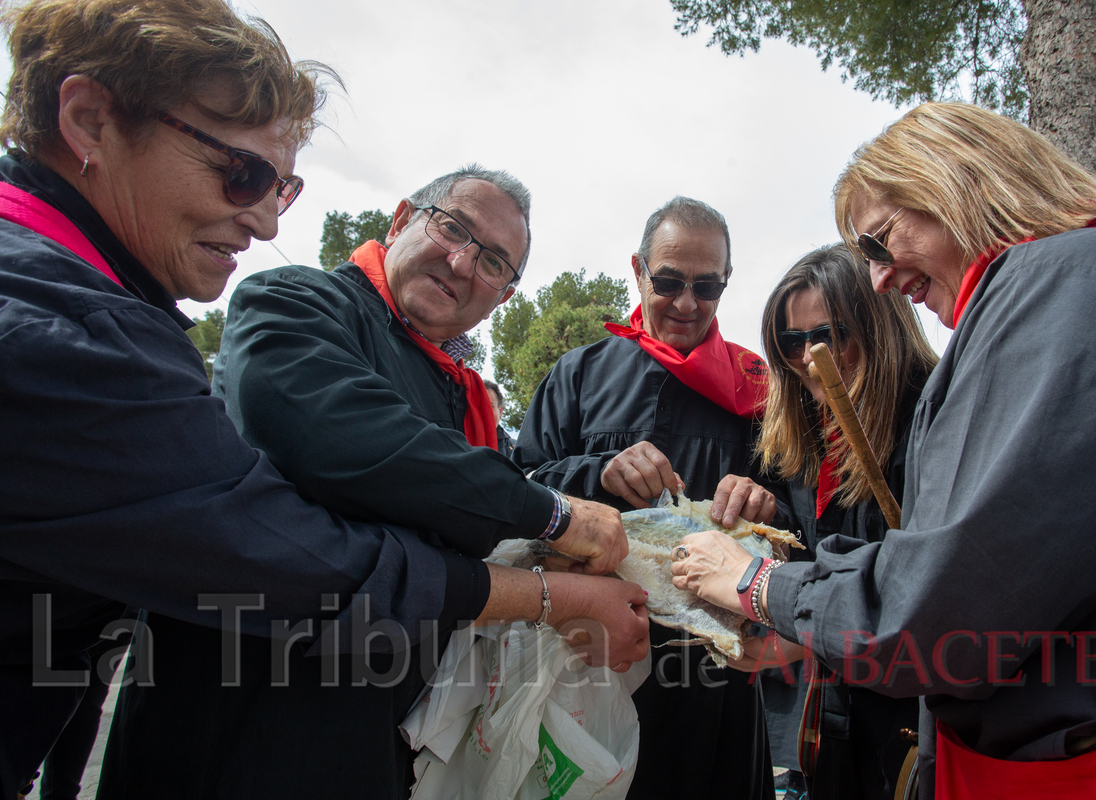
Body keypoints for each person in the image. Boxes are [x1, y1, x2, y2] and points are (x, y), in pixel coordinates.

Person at [0, 2, 645, 797]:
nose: (266, 216)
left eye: (495, 265)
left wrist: (605, 478)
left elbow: (509, 472)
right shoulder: (286, 304)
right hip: (238, 744)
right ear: (90, 120)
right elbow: (316, 495)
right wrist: (553, 559)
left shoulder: (461, 391)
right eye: (243, 174)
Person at [670, 102, 1096, 800]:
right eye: (789, 344)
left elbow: (956, 597)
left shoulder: (1071, 282)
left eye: (884, 241)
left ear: (955, 182)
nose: (883, 277)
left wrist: (753, 582)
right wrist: (799, 629)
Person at [97, 165, 649, 799]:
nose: (463, 263)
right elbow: (350, 441)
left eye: (494, 262)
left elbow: (476, 537)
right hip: (240, 727)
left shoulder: (467, 403)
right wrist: (557, 517)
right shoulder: (293, 301)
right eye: (454, 229)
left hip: (385, 744)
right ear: (401, 219)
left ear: (502, 297)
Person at [515, 196, 790, 800]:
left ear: (726, 283)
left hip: (714, 676)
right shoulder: (578, 375)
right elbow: (519, 489)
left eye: (706, 286)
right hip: (589, 659)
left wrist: (765, 502)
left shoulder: (762, 392)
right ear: (637, 270)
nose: (687, 304)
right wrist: (597, 471)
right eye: (668, 282)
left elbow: (805, 520)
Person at [755, 243, 937, 800]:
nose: (809, 357)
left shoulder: (934, 418)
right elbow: (803, 551)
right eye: (792, 341)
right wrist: (759, 510)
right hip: (834, 730)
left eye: (827, 335)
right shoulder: (801, 442)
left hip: (920, 728)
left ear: (877, 326)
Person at [484, 378, 516, 458]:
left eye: (490, 406)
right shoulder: (457, 445)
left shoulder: (517, 451)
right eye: (477, 406)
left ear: (500, 411)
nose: (483, 412)